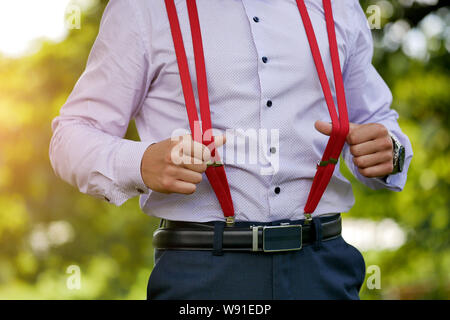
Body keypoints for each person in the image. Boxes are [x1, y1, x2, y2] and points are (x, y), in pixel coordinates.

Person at [49, 0, 412, 300]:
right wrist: (140, 163)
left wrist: (390, 152)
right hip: (202, 273)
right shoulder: (144, 9)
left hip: (324, 269)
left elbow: (377, 120)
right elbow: (71, 134)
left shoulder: (338, 8)